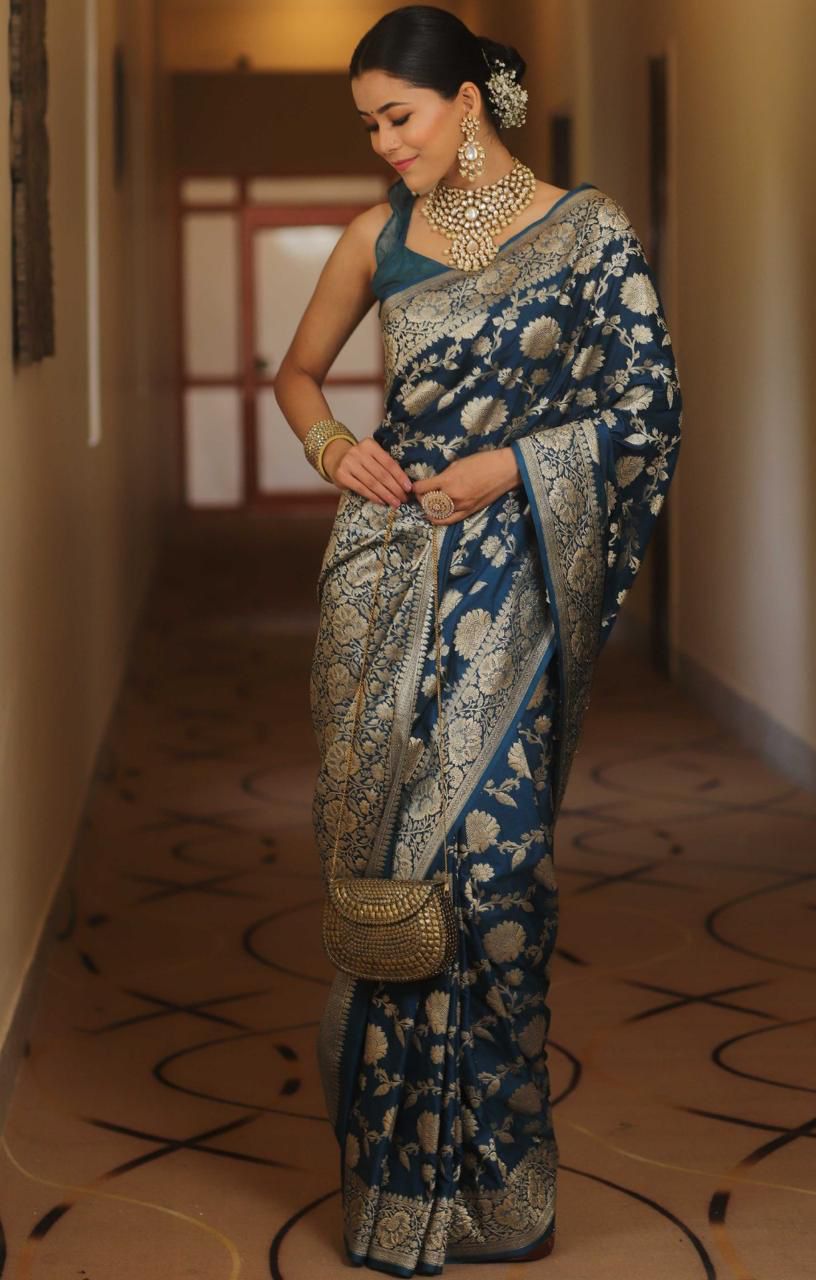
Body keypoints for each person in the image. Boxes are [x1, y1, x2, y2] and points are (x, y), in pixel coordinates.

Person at [273, 5, 683, 1273]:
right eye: (366, 126)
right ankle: (398, 1188)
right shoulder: (376, 237)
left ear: (465, 100)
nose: (383, 144)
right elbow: (296, 374)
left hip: (521, 579)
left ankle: (504, 1180)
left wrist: (510, 465)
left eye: (396, 116)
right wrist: (335, 448)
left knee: (498, 872)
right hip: (389, 582)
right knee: (396, 880)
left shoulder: (585, 231)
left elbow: (648, 405)